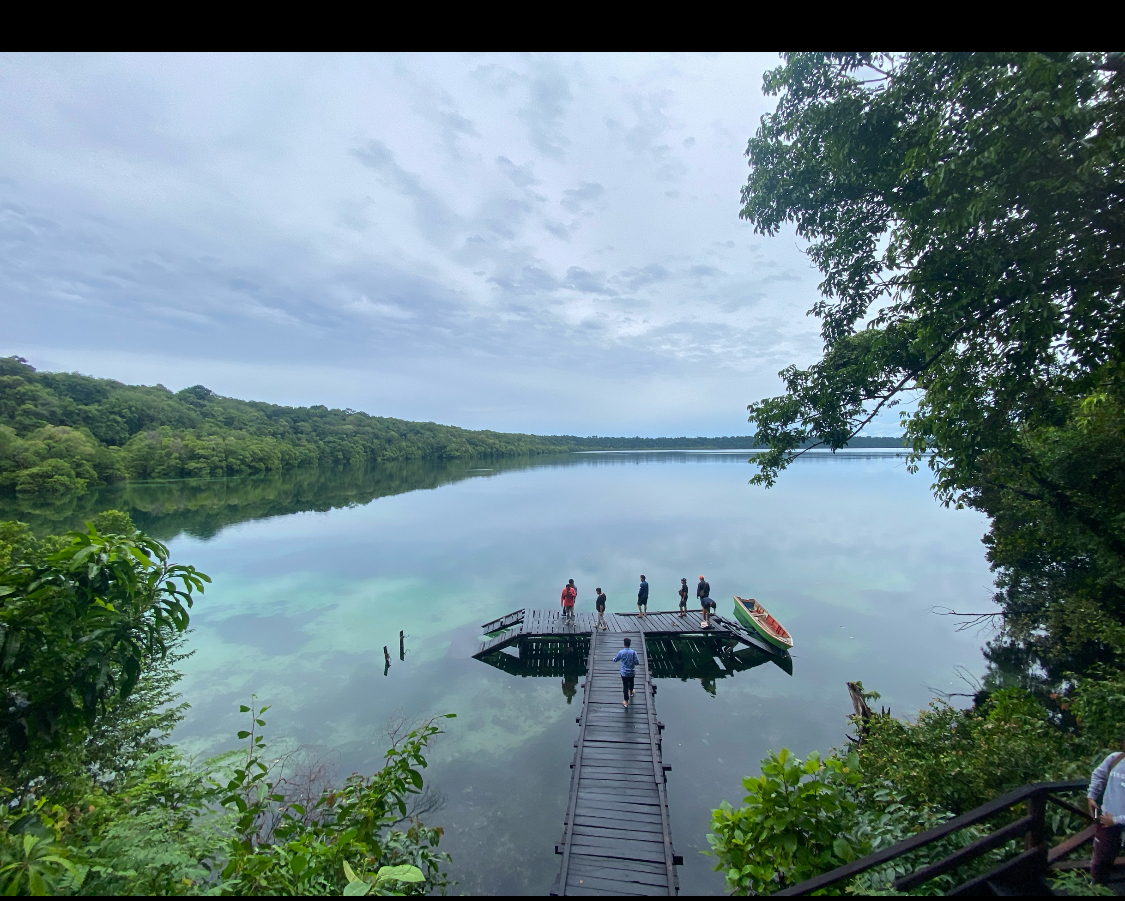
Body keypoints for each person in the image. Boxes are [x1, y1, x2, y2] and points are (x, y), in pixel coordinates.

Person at [1088, 740, 1125, 883]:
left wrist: (1116, 820)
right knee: (1100, 863)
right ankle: (1096, 889)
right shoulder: (1116, 758)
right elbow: (1098, 774)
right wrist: (1091, 795)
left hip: (1114, 820)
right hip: (1106, 822)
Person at [613, 637, 640, 708]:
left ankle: (626, 701)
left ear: (624, 644)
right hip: (632, 671)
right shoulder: (634, 652)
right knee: (631, 681)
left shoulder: (621, 652)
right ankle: (631, 691)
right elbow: (637, 662)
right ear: (630, 644)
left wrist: (613, 659)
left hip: (624, 672)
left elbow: (616, 659)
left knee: (625, 686)